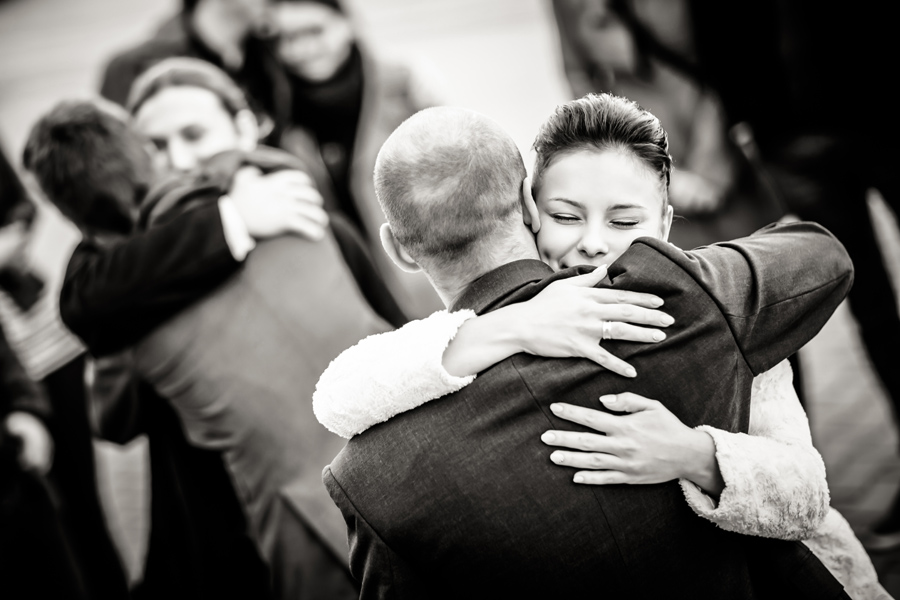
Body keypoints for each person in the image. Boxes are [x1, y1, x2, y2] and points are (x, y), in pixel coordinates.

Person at [315, 95, 888, 599]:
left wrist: (696, 455)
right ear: (530, 207)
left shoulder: (698, 304)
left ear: (664, 224)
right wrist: (509, 328)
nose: (592, 243)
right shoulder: (484, 342)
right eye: (567, 215)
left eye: (624, 220)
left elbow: (807, 496)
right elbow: (341, 394)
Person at [24, 98, 278, 599]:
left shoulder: (253, 193)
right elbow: (82, 304)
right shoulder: (103, 269)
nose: (178, 157)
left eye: (192, 136)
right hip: (199, 480)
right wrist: (231, 220)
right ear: (140, 150)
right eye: (159, 144)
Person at [0, 144, 131, 600]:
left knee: (84, 498)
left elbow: (20, 205)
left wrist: (10, 239)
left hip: (46, 346)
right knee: (42, 509)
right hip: (10, 373)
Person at [269, 0, 444, 318]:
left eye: (314, 30)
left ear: (346, 24)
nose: (302, 48)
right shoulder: (278, 112)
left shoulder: (402, 83)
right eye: (286, 38)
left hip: (429, 263)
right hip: (353, 278)